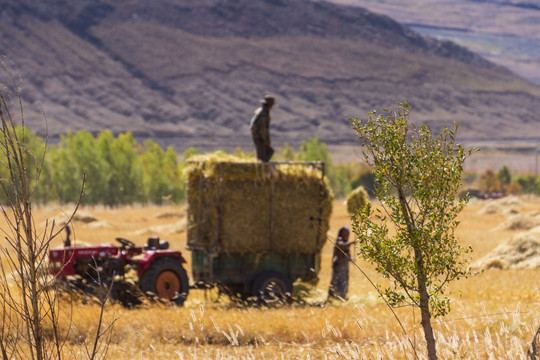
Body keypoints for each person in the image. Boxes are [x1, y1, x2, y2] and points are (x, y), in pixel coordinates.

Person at [328, 226, 353, 301]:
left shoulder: (345, 242)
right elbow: (341, 245)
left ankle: (342, 296)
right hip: (338, 265)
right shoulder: (339, 240)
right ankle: (334, 296)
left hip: (344, 267)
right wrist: (351, 243)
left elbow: (348, 254)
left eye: (348, 233)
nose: (346, 234)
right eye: (345, 232)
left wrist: (351, 258)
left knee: (344, 281)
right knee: (337, 282)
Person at [250, 95, 275, 162]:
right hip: (259, 137)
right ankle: (262, 169)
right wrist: (266, 141)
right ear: (269, 105)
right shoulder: (263, 114)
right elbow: (263, 129)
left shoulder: (260, 111)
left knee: (268, 152)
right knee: (263, 157)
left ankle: (263, 168)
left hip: (257, 135)